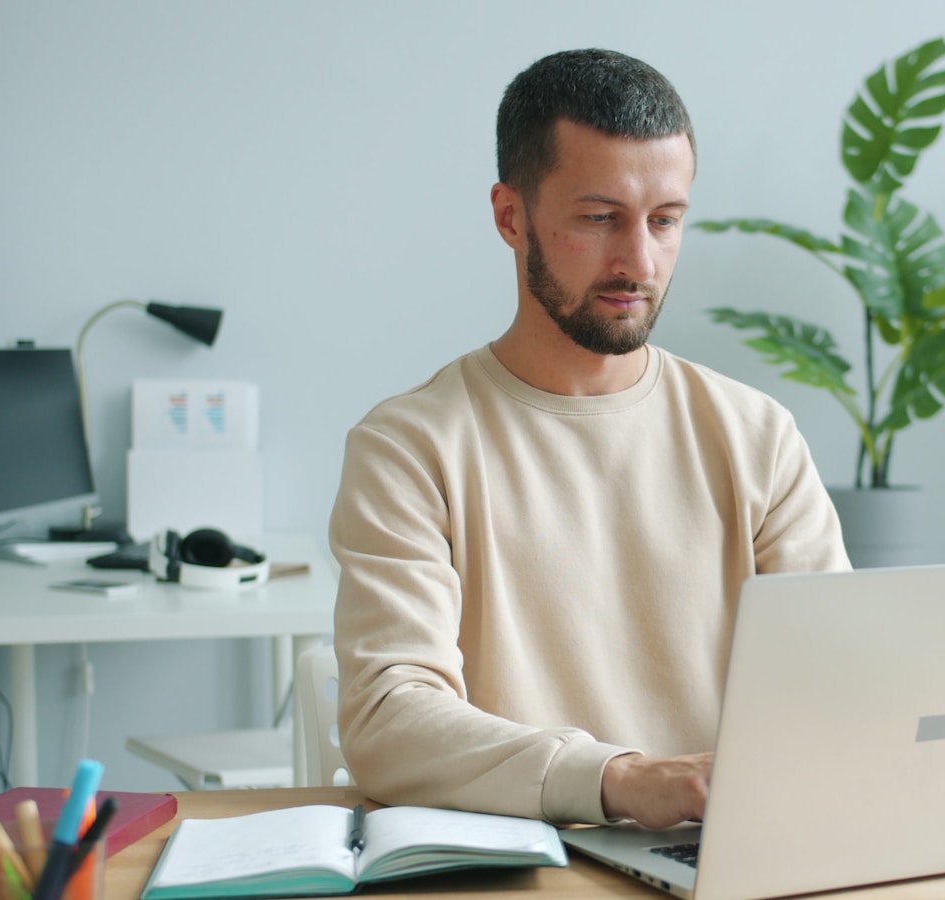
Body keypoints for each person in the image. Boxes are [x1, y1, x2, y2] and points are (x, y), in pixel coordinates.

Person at [328, 48, 849, 829]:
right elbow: (388, 721)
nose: (639, 261)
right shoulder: (410, 447)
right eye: (600, 218)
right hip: (527, 863)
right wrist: (622, 778)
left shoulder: (756, 435)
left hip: (729, 854)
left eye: (665, 221)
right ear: (512, 217)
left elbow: (844, 677)